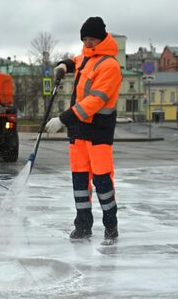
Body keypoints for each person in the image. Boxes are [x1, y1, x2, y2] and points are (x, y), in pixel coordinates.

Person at [45, 16, 122, 242]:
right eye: (85, 39)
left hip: (99, 132)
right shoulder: (86, 58)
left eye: (91, 39)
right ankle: (83, 226)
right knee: (79, 182)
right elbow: (74, 60)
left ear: (101, 38)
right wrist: (63, 65)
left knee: (102, 182)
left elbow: (94, 101)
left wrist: (63, 119)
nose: (87, 43)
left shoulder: (110, 65)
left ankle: (110, 226)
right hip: (78, 133)